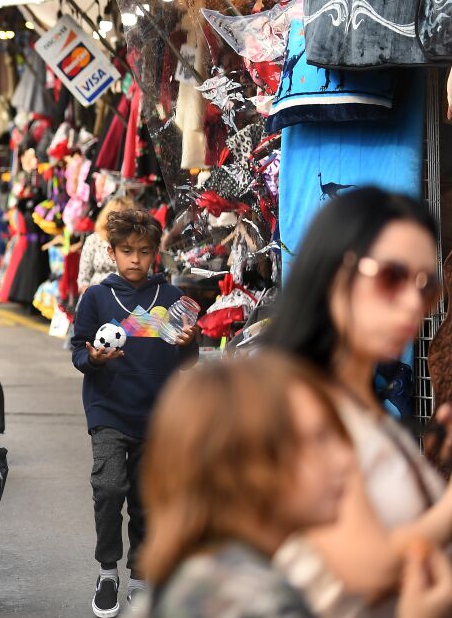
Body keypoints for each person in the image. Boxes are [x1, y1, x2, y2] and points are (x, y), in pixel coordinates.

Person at [139, 353, 452, 618]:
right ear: (250, 467)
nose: (345, 459)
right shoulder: (248, 600)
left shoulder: (209, 580)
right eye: (318, 441)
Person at [263, 188, 452, 616]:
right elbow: (371, 566)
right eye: (391, 278)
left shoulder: (363, 401)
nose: (412, 305)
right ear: (334, 272)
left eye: (427, 287)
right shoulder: (297, 402)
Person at [69, 208, 199, 617]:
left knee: (146, 501)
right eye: (127, 251)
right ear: (111, 251)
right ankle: (108, 571)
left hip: (158, 416)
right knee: (108, 489)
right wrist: (94, 359)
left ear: (155, 254)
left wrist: (188, 344)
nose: (135, 259)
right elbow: (77, 350)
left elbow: (188, 359)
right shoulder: (96, 297)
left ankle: (140, 576)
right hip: (107, 410)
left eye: (144, 251)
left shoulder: (173, 299)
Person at [78, 196, 136, 294]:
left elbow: (145, 275)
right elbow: (83, 280)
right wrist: (92, 298)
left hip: (127, 299)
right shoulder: (93, 240)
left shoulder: (136, 242)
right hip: (96, 298)